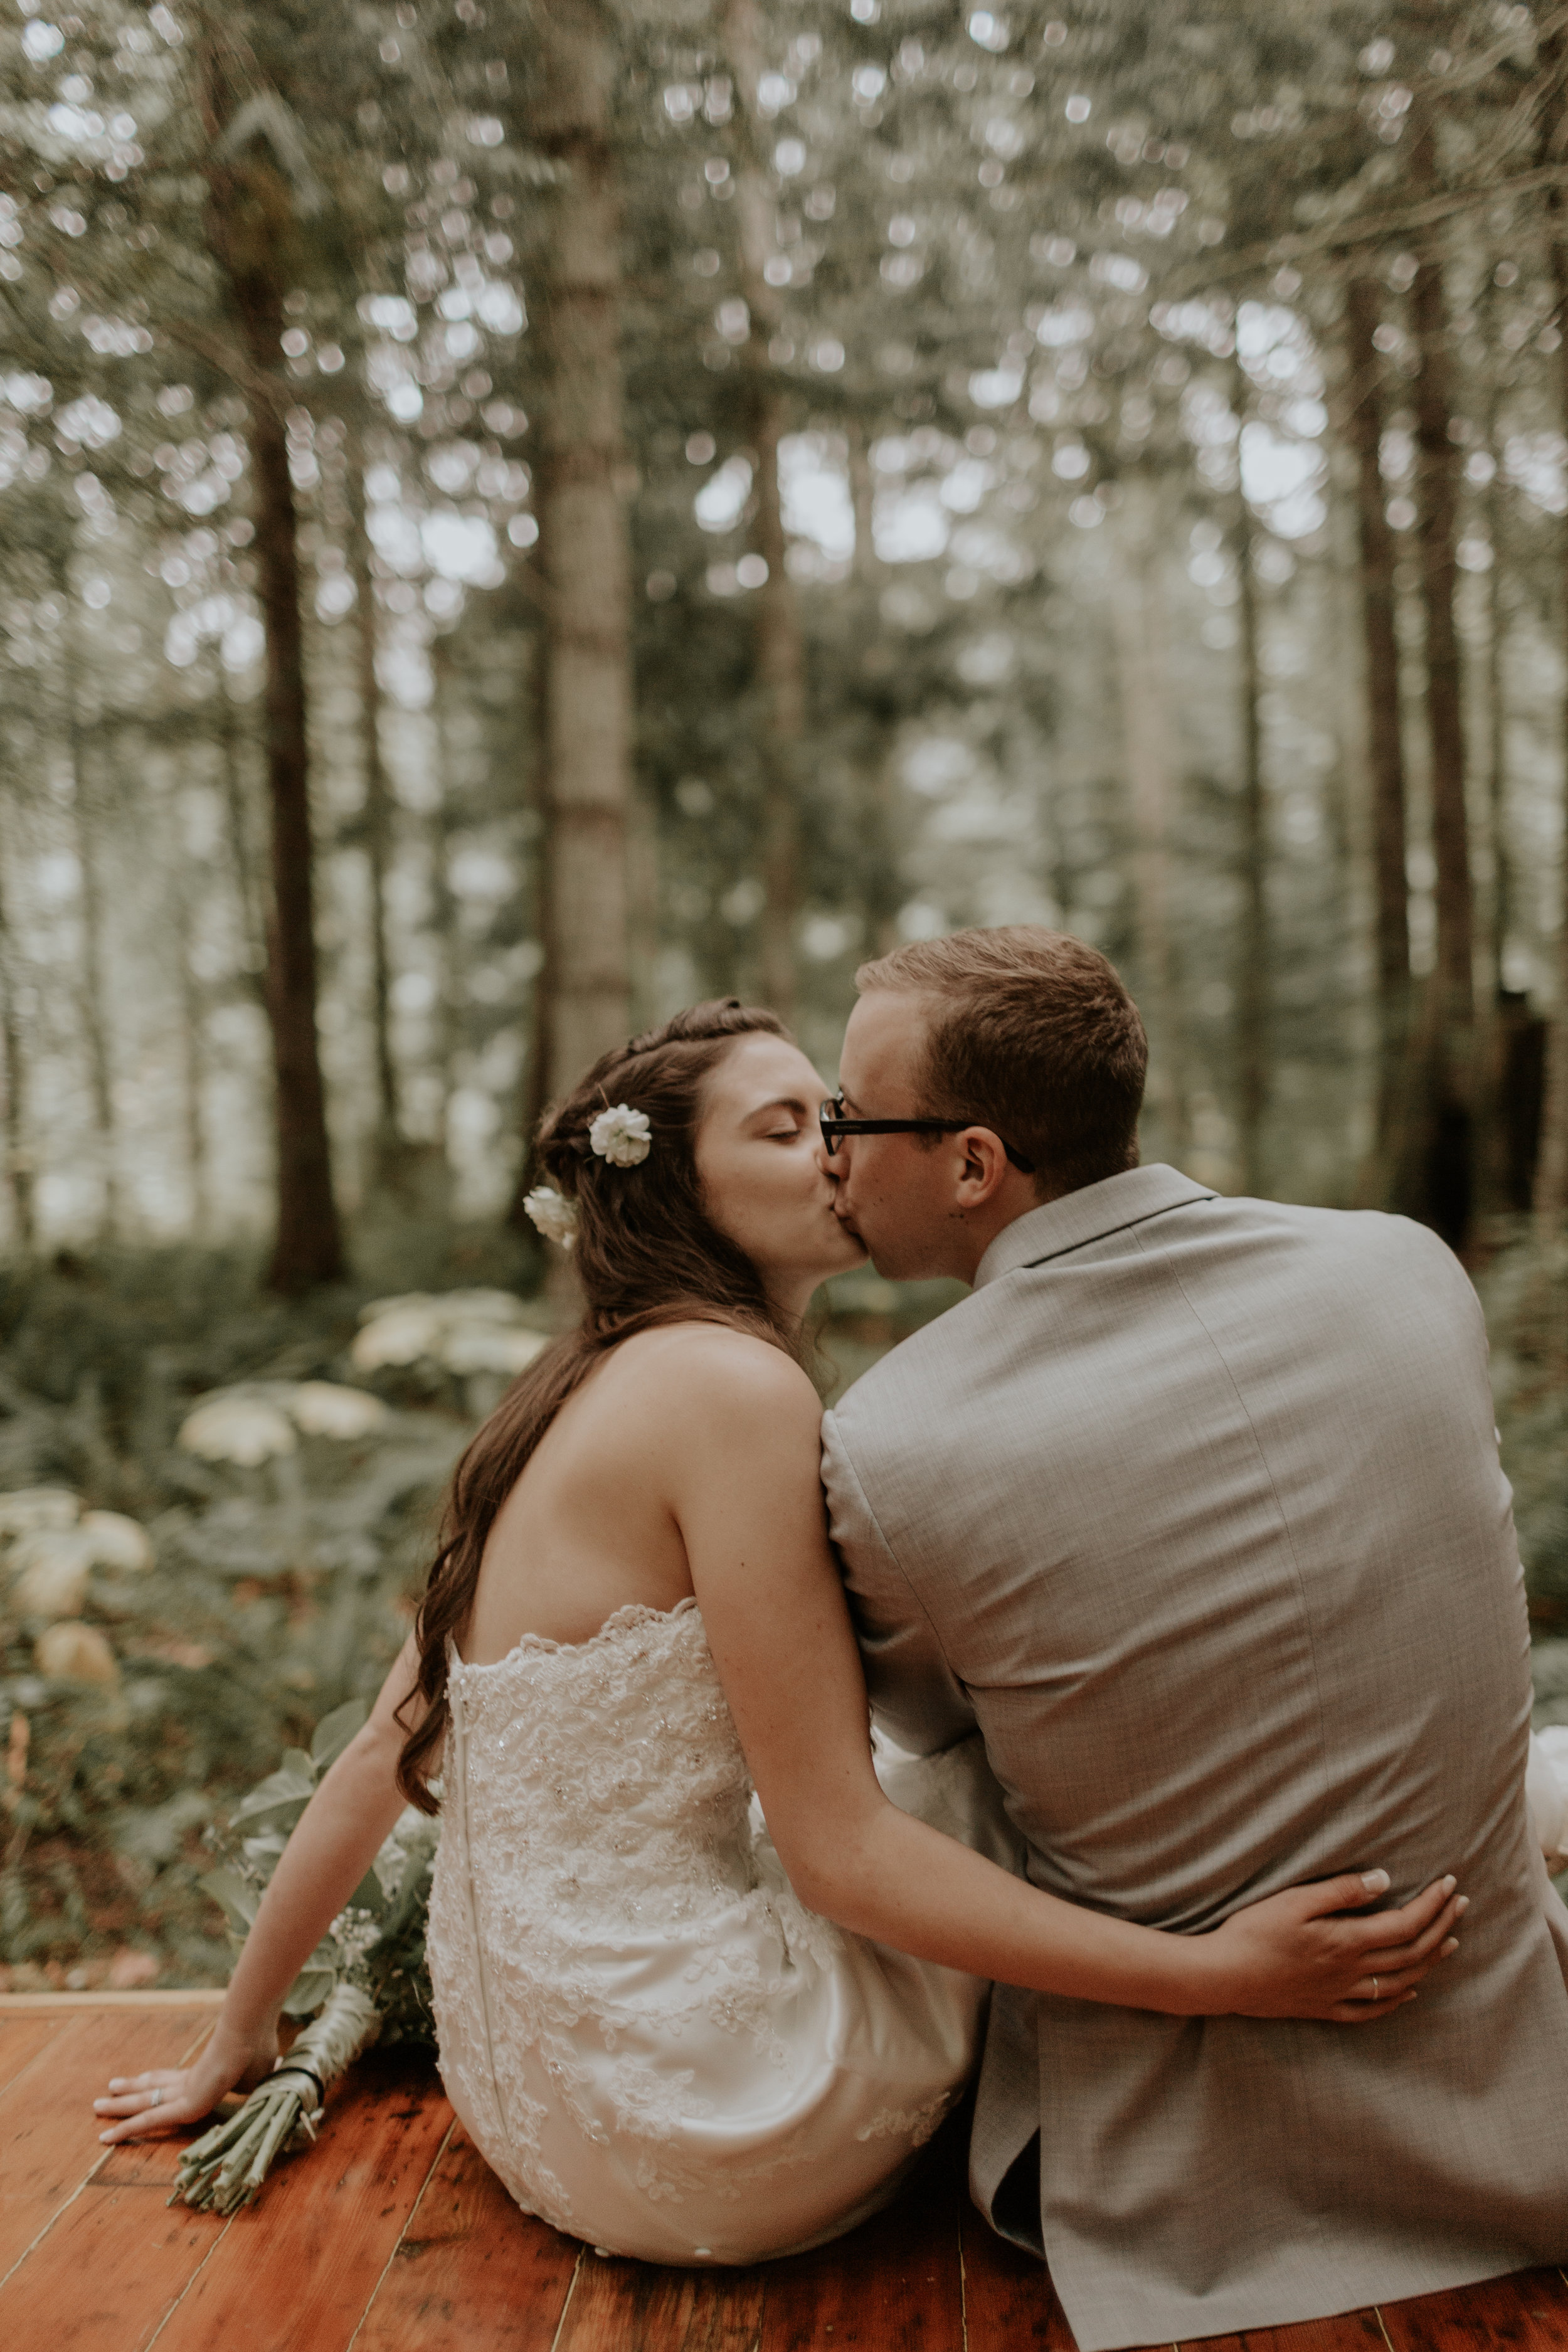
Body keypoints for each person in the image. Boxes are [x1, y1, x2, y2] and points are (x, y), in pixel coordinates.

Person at [93, 1000, 1461, 2269]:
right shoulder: (735, 1391)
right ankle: (1330, 1979)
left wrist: (235, 2029)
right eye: (784, 1125)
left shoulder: (568, 1388)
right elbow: (844, 1855)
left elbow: (375, 1763)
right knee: (994, 1759)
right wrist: (1211, 1976)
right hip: (723, 2113)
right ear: (675, 1185)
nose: (838, 1148)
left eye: (836, 1113)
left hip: (531, 2121)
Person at [818, 926, 1568, 2349]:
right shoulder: (1403, 1268)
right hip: (1517, 2108)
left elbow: (931, 1732)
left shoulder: (888, 1442)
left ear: (974, 1165)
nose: (833, 1151)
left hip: (1180, 2183)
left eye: (854, 1115)